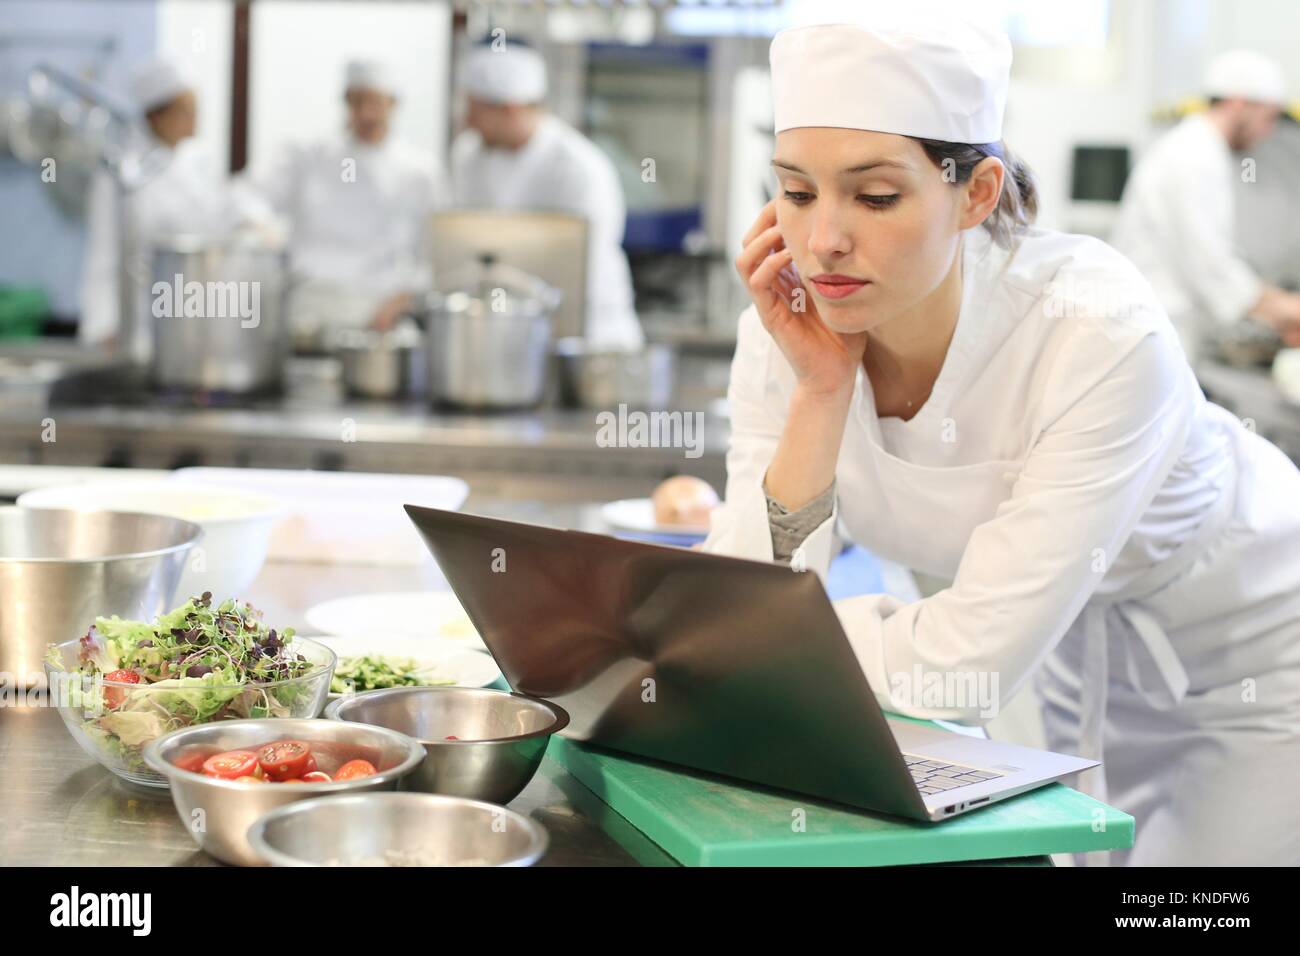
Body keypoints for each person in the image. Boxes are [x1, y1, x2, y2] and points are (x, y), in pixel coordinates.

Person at [704, 21, 1300, 866]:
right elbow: (746, 596)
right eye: (797, 193)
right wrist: (821, 391)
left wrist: (753, 649)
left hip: (1242, 671)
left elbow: (943, 656)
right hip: (1039, 669)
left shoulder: (1094, 333)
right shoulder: (785, 333)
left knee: (1195, 911)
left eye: (873, 197)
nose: (823, 240)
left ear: (977, 193)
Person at [450, 41, 644, 350]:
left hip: (588, 340)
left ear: (511, 109)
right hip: (504, 336)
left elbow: (579, 268)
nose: (468, 121)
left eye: (477, 110)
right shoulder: (468, 156)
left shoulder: (577, 167)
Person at [1111, 49, 1300, 366]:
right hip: (1151, 331)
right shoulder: (1193, 156)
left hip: (1160, 330)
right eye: (1268, 117)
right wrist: (1283, 309)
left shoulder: (1200, 148)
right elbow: (1210, 263)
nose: (1267, 132)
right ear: (1239, 103)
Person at [242, 60, 444, 346]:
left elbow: (434, 256)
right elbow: (247, 196)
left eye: (375, 102)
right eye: (357, 102)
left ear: (393, 104)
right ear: (345, 103)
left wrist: (401, 301)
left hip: (381, 317)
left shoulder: (421, 172)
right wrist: (261, 227)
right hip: (308, 314)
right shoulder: (310, 155)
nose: (366, 114)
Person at [79, 58, 239, 352]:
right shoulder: (122, 172)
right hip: (141, 325)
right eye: (186, 111)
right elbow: (104, 253)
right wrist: (104, 324)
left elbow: (227, 214)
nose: (195, 119)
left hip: (198, 318)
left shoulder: (197, 164)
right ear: (156, 116)